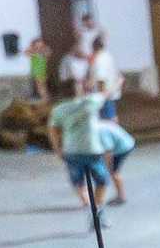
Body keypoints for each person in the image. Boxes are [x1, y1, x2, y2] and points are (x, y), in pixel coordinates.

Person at [48, 81, 112, 219]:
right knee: (102, 181)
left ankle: (89, 208)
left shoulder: (58, 109)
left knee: (79, 183)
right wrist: (117, 80)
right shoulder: (91, 101)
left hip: (71, 151)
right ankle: (97, 209)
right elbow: (107, 93)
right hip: (92, 149)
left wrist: (57, 149)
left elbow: (53, 131)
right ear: (78, 90)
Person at [88, 35, 125, 119]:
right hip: (110, 90)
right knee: (110, 115)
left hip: (104, 93)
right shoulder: (108, 55)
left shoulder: (100, 60)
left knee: (109, 118)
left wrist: (101, 95)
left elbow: (100, 78)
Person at [25, 37, 51, 101]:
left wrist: (43, 49)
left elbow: (48, 53)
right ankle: (45, 99)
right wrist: (32, 47)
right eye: (37, 44)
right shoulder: (33, 52)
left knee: (41, 87)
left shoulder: (43, 52)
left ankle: (45, 99)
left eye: (40, 44)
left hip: (41, 72)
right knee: (40, 87)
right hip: (36, 72)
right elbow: (26, 53)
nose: (39, 46)